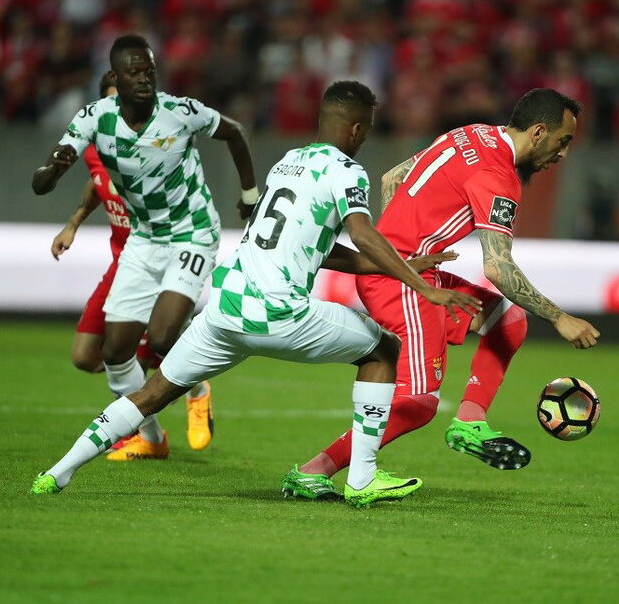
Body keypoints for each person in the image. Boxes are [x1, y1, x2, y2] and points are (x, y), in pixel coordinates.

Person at [30, 80, 481, 507]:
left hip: (224, 310)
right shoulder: (347, 171)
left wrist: (401, 266)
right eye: (366, 131)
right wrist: (423, 287)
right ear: (357, 128)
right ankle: (362, 478)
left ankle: (57, 472)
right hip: (278, 314)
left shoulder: (289, 162)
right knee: (383, 349)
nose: (364, 140)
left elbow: (318, 247)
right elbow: (362, 233)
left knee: (153, 392)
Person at [283, 88, 600, 500]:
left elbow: (392, 177)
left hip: (408, 271)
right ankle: (314, 471)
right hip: (400, 282)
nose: (563, 154)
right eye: (563, 141)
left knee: (507, 320)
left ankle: (470, 421)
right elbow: (498, 268)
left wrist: (396, 240)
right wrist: (560, 317)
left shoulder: (471, 133)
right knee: (418, 403)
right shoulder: (500, 177)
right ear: (539, 132)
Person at [32, 34, 257, 460]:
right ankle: (151, 437)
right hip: (145, 238)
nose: (144, 79)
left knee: (162, 336)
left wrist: (249, 195)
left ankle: (198, 387)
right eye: (134, 72)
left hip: (192, 232)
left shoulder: (181, 112)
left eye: (149, 71)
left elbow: (235, 132)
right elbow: (53, 167)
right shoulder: (95, 117)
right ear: (115, 77)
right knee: (115, 352)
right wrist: (50, 172)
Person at [49, 73, 213, 454]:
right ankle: (161, 411)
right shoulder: (97, 147)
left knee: (152, 346)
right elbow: (98, 183)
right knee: (86, 356)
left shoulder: (160, 144)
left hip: (162, 257)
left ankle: (178, 408)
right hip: (121, 262)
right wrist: (73, 222)